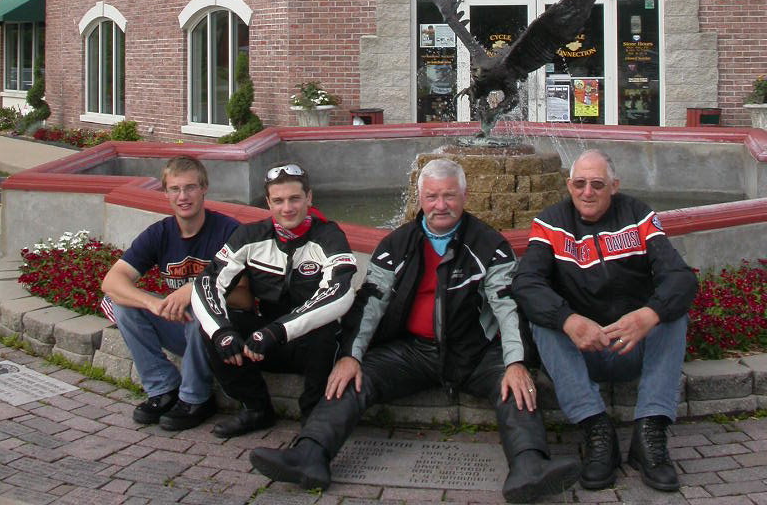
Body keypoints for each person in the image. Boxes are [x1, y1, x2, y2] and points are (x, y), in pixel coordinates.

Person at [248, 157, 580, 504]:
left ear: (464, 196)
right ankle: (309, 455)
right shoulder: (397, 244)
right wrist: (351, 355)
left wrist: (516, 361)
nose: (441, 205)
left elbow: (507, 306)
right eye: (432, 196)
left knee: (516, 386)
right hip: (412, 351)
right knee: (352, 377)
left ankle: (529, 466)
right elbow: (370, 302)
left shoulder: (489, 244)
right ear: (420, 198)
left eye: (449, 196)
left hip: (476, 353)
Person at [512, 149, 698, 493]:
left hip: (631, 345)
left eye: (597, 184)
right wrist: (568, 320)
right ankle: (597, 430)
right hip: (581, 350)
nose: (587, 192)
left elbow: (681, 277)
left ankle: (650, 433)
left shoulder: (638, 215)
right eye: (579, 183)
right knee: (544, 320)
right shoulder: (550, 222)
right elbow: (526, 283)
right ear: (568, 185)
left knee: (672, 314)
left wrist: (649, 314)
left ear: (614, 186)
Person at [191, 162, 357, 438]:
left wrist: (277, 331)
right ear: (268, 203)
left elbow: (341, 292)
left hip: (311, 344)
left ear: (309, 198)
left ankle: (313, 421)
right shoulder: (250, 236)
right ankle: (256, 409)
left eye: (294, 199)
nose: (287, 208)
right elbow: (207, 282)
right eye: (278, 201)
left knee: (324, 332)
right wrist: (221, 332)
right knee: (212, 330)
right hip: (264, 342)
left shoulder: (329, 236)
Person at [101, 155, 239, 430]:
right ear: (165, 192)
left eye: (190, 188)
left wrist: (195, 291)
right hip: (182, 327)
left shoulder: (229, 231)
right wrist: (151, 303)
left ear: (204, 188)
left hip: (222, 335)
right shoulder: (160, 233)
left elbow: (245, 294)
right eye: (175, 189)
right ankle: (163, 388)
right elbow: (112, 281)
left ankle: (196, 399)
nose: (183, 196)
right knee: (121, 303)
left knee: (201, 311)